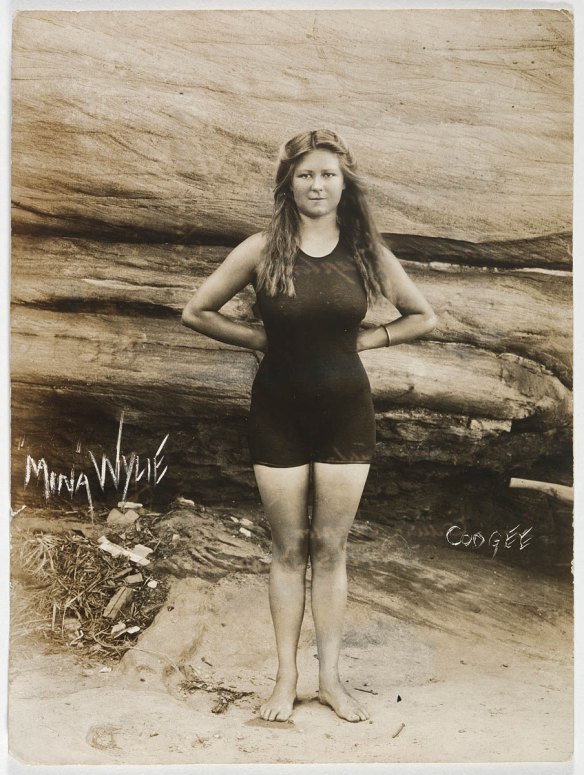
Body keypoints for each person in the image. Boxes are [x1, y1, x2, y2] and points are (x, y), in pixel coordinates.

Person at [182, 129, 436, 723]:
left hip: (347, 414)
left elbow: (424, 315)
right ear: (288, 183)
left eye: (327, 173)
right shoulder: (261, 247)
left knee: (331, 547)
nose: (316, 184)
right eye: (305, 174)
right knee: (288, 548)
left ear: (345, 183)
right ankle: (285, 681)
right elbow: (195, 310)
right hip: (278, 415)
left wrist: (369, 340)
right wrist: (259, 339)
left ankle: (330, 681)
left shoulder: (365, 250)